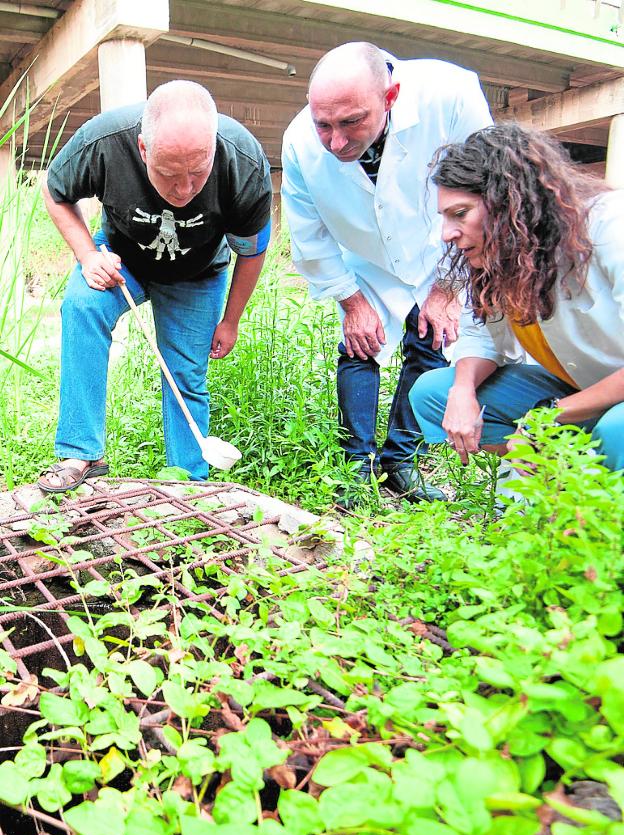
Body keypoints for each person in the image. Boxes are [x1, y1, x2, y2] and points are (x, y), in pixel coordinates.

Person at [281, 42, 492, 504]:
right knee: (360, 344)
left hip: (438, 246)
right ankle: (356, 465)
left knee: (433, 338)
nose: (335, 142)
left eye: (351, 123)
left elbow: (486, 194)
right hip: (366, 252)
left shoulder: (451, 95)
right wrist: (351, 301)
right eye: (323, 125)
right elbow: (308, 233)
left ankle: (402, 461)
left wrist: (449, 285)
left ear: (390, 96)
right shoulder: (299, 142)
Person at [38, 80, 272, 492]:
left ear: (212, 148)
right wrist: (88, 256)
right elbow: (54, 191)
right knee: (82, 306)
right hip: (121, 259)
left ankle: (187, 480)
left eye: (197, 173)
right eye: (168, 175)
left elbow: (252, 250)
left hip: (198, 273)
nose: (184, 190)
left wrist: (231, 320)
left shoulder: (243, 161)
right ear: (144, 149)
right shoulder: (105, 141)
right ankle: (81, 452)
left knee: (186, 372)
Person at [409, 123, 624, 474]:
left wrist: (549, 415)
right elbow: (483, 337)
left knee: (616, 430)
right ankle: (555, 473)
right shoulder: (504, 256)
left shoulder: (610, 225)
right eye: (444, 218)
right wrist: (462, 391)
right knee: (434, 393)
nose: (447, 234)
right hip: (580, 390)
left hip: (610, 404)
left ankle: (591, 490)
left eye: (460, 214)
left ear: (510, 202)